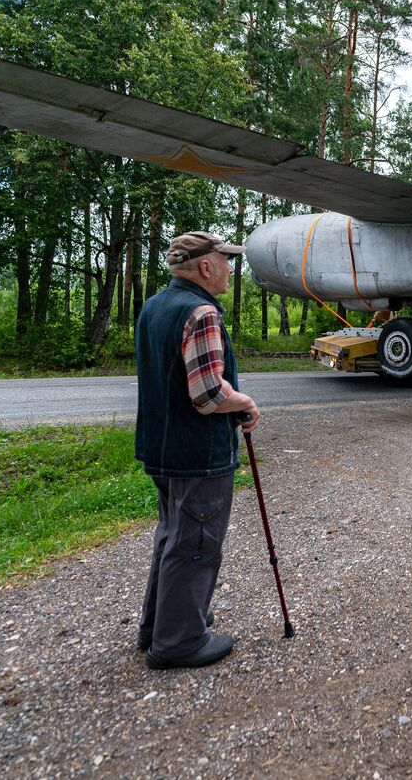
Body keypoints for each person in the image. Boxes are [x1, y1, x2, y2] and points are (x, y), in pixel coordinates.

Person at [134, 231, 261, 670]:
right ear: (206, 266)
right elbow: (207, 394)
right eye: (226, 261)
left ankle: (159, 626)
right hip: (197, 451)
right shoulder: (201, 312)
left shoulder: (154, 307)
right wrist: (243, 402)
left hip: (161, 447)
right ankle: (180, 640)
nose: (230, 268)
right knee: (196, 543)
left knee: (173, 535)